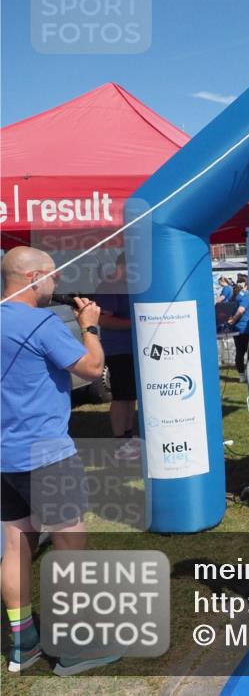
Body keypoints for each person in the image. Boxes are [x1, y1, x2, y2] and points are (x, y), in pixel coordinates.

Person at [1, 247, 119, 675]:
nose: (57, 286)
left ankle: (23, 643)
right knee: (72, 548)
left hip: (6, 457)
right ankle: (76, 648)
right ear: (35, 277)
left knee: (15, 545)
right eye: (53, 278)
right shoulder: (40, 322)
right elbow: (91, 367)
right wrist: (91, 327)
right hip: (46, 453)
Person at [94, 253, 140, 460]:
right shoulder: (110, 286)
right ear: (122, 265)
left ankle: (129, 437)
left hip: (133, 349)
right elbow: (103, 321)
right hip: (119, 349)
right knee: (122, 396)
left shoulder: (128, 285)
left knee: (130, 396)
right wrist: (137, 324)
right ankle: (120, 442)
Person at [227, 279, 249, 382]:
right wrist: (233, 320)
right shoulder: (245, 295)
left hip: (236, 329)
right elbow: (241, 310)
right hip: (244, 329)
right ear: (246, 285)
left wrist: (231, 320)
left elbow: (229, 308)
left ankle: (242, 375)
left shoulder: (234, 295)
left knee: (239, 352)